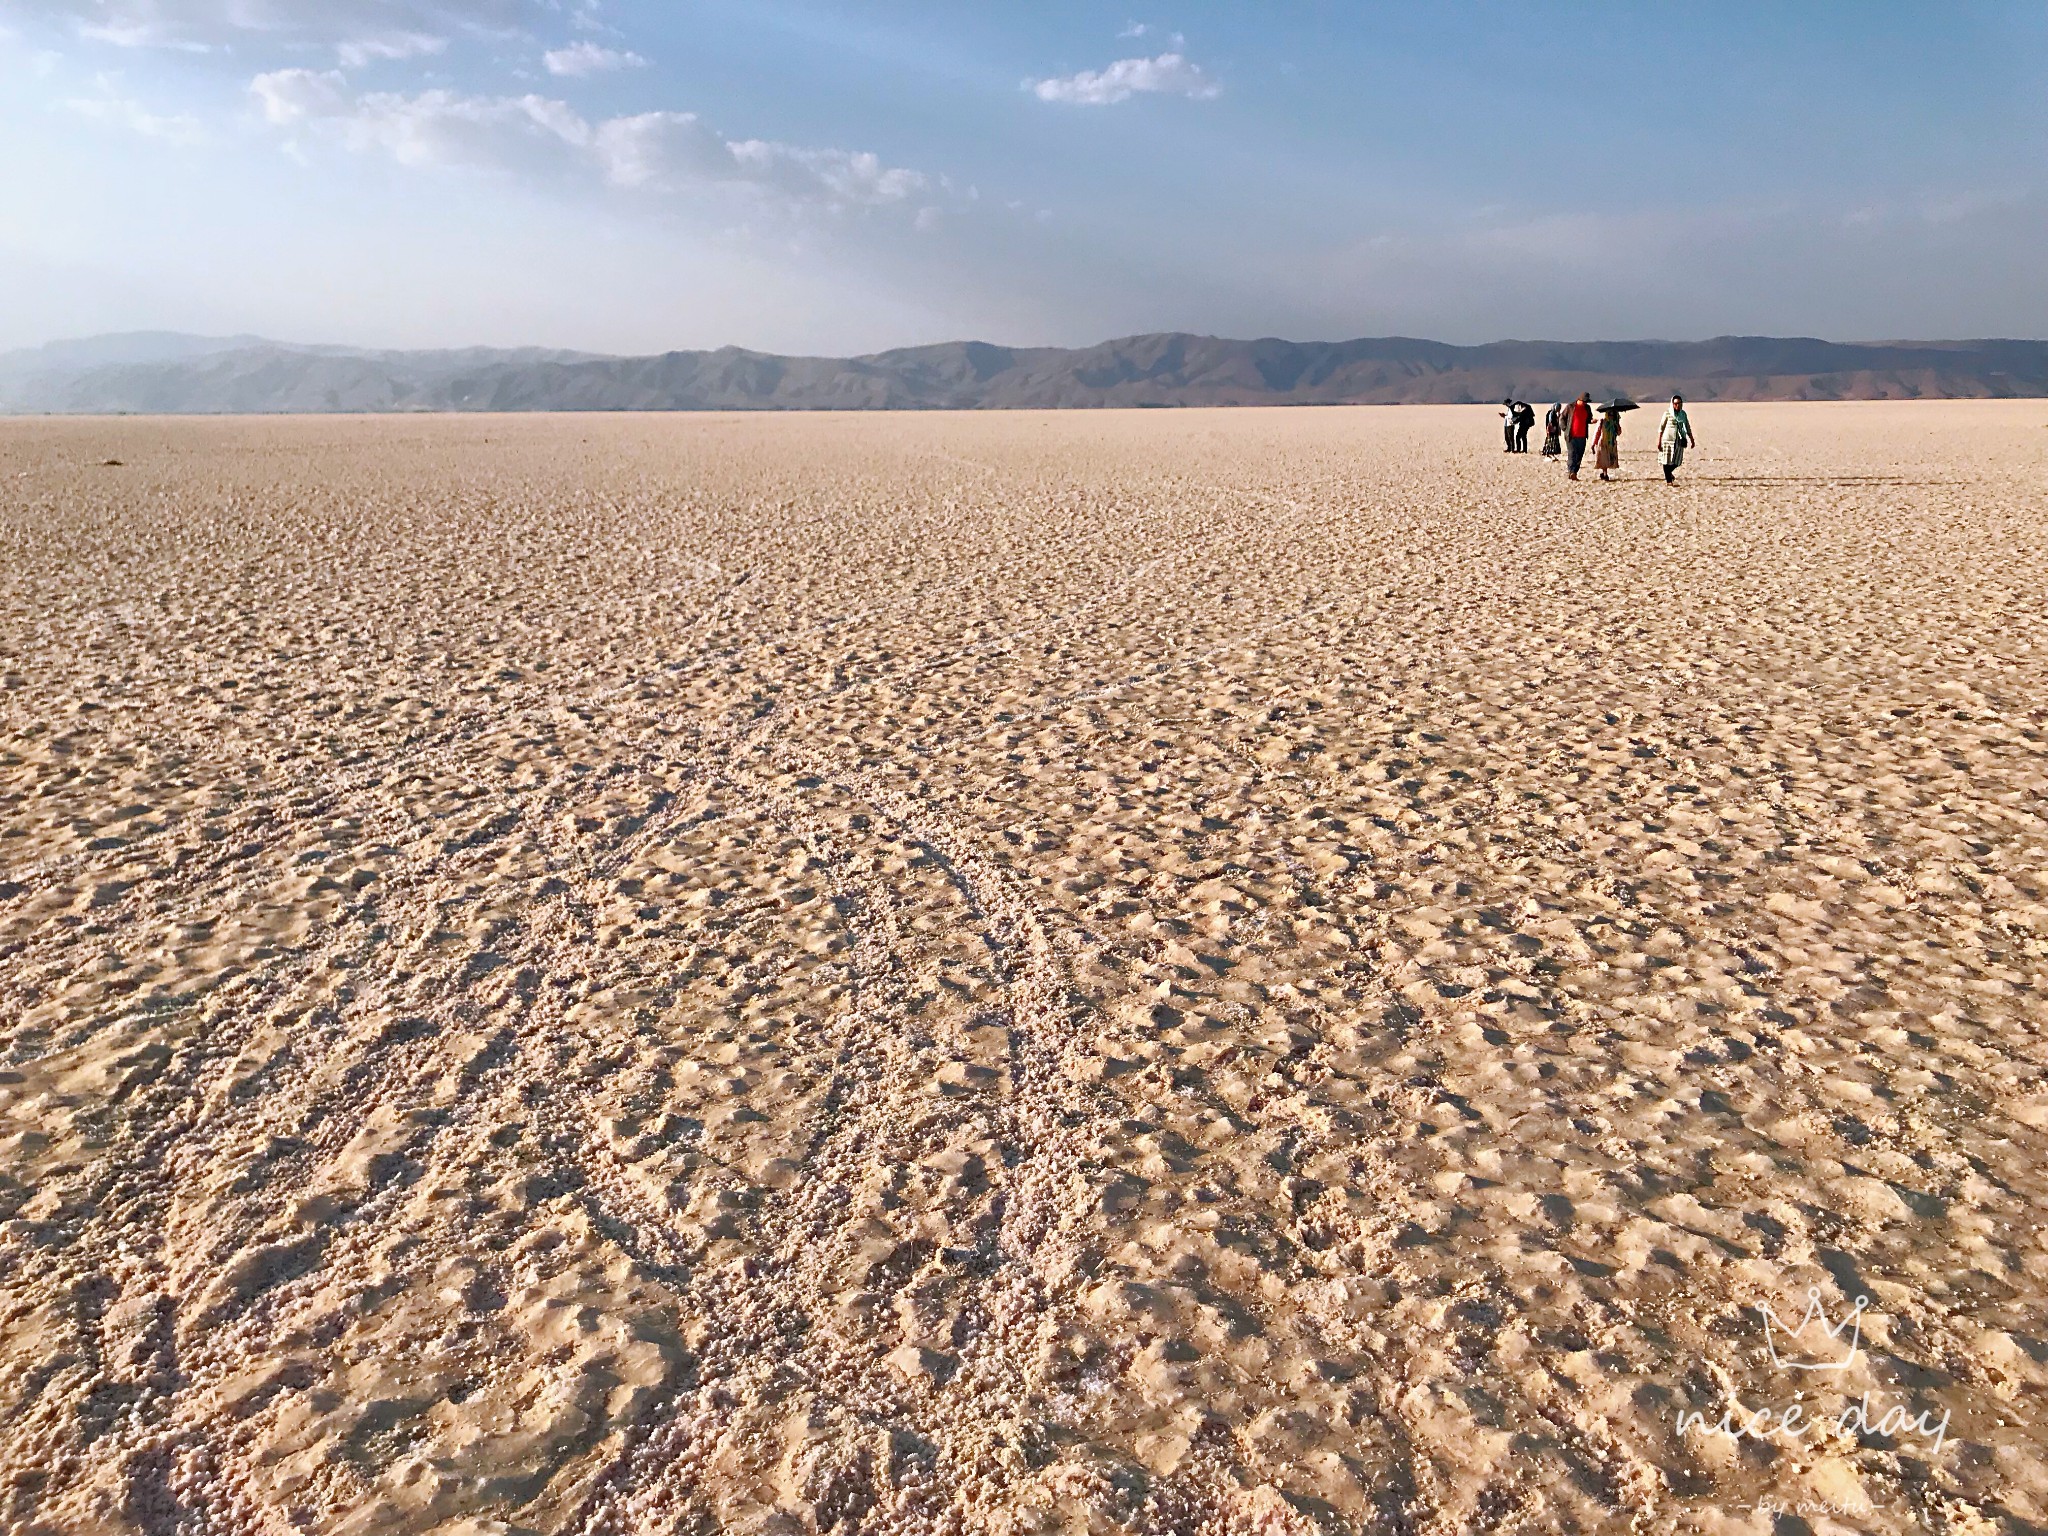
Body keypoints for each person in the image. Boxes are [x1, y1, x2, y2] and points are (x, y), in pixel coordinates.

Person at [1657, 394, 1695, 483]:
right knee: (1666, 460)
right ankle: (1669, 480)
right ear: (1672, 404)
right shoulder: (1667, 413)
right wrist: (1659, 441)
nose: (1678, 405)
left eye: (1680, 403)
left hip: (1680, 439)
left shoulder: (1683, 414)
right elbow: (1661, 427)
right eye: (1676, 403)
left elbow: (1687, 426)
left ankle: (1668, 473)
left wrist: (1692, 439)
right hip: (1668, 440)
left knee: (1677, 461)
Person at [1564, 392, 1593, 479]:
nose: (1585, 403)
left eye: (1586, 402)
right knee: (1572, 454)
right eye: (1584, 401)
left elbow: (1588, 419)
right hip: (1571, 436)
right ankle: (1571, 471)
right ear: (1579, 400)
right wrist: (1565, 429)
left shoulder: (1587, 408)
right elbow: (1562, 418)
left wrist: (1592, 421)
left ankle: (1575, 472)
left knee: (1579, 455)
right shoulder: (1570, 407)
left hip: (1582, 436)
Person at [1592, 403, 1622, 480]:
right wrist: (1593, 444)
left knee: (1609, 460)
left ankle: (1604, 473)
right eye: (1610, 414)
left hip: (1611, 444)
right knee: (1604, 459)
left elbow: (1619, 433)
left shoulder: (1615, 424)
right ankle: (1605, 473)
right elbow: (1597, 433)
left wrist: (1617, 424)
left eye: (1613, 415)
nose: (1611, 416)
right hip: (1603, 443)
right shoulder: (1602, 422)